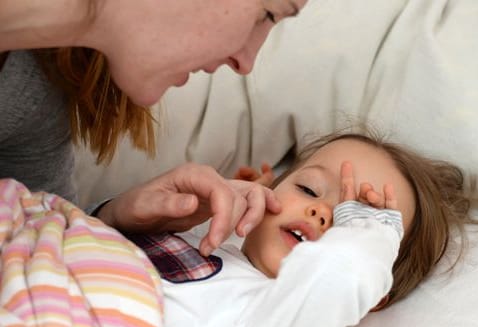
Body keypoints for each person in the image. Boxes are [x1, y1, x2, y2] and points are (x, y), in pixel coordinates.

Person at [129, 132, 478, 327]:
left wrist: (370, 232)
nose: (320, 210)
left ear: (372, 295)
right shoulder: (196, 238)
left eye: (348, 220)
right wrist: (125, 215)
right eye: (308, 190)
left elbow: (335, 278)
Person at [0, 0, 308, 252]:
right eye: (267, 14)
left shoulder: (36, 97)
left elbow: (40, 244)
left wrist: (116, 217)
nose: (246, 62)